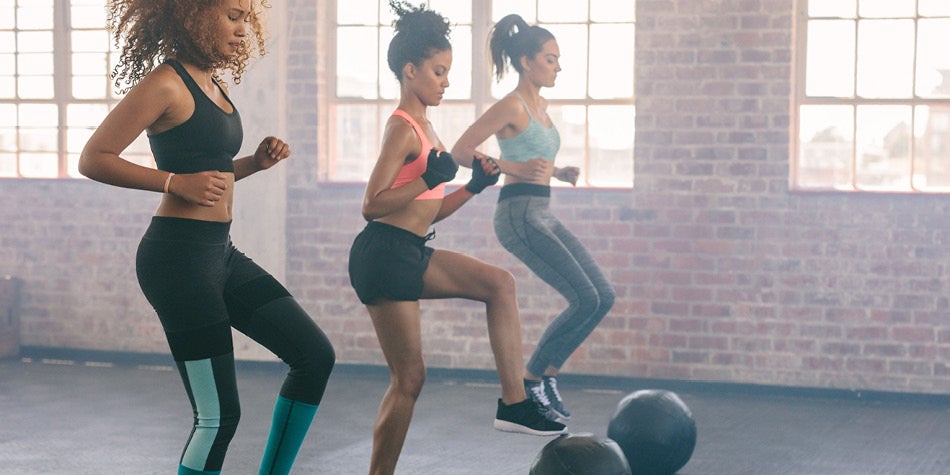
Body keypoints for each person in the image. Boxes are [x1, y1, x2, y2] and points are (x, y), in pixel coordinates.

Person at [79, 1, 335, 473]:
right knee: (217, 418)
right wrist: (173, 182)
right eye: (233, 16)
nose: (243, 30)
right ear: (194, 15)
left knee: (314, 356)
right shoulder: (165, 83)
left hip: (220, 254)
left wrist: (254, 163)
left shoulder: (212, 84)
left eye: (245, 20)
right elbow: (94, 158)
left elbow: (211, 174)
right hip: (177, 261)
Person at [347, 2, 566, 474]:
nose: (446, 81)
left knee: (498, 284)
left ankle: (514, 403)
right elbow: (373, 204)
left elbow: (430, 210)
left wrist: (472, 186)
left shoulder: (428, 128)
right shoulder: (402, 129)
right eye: (438, 71)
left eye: (448, 72)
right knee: (408, 378)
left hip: (408, 248)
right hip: (383, 253)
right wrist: (428, 179)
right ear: (411, 72)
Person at [451, 13, 616, 423]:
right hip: (518, 215)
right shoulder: (511, 104)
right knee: (584, 298)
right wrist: (513, 169)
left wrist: (558, 172)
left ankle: (545, 374)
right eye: (550, 58)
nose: (558, 66)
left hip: (542, 210)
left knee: (602, 296)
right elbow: (460, 150)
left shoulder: (539, 106)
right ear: (527, 61)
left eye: (558, 59)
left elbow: (533, 156)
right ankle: (530, 380)